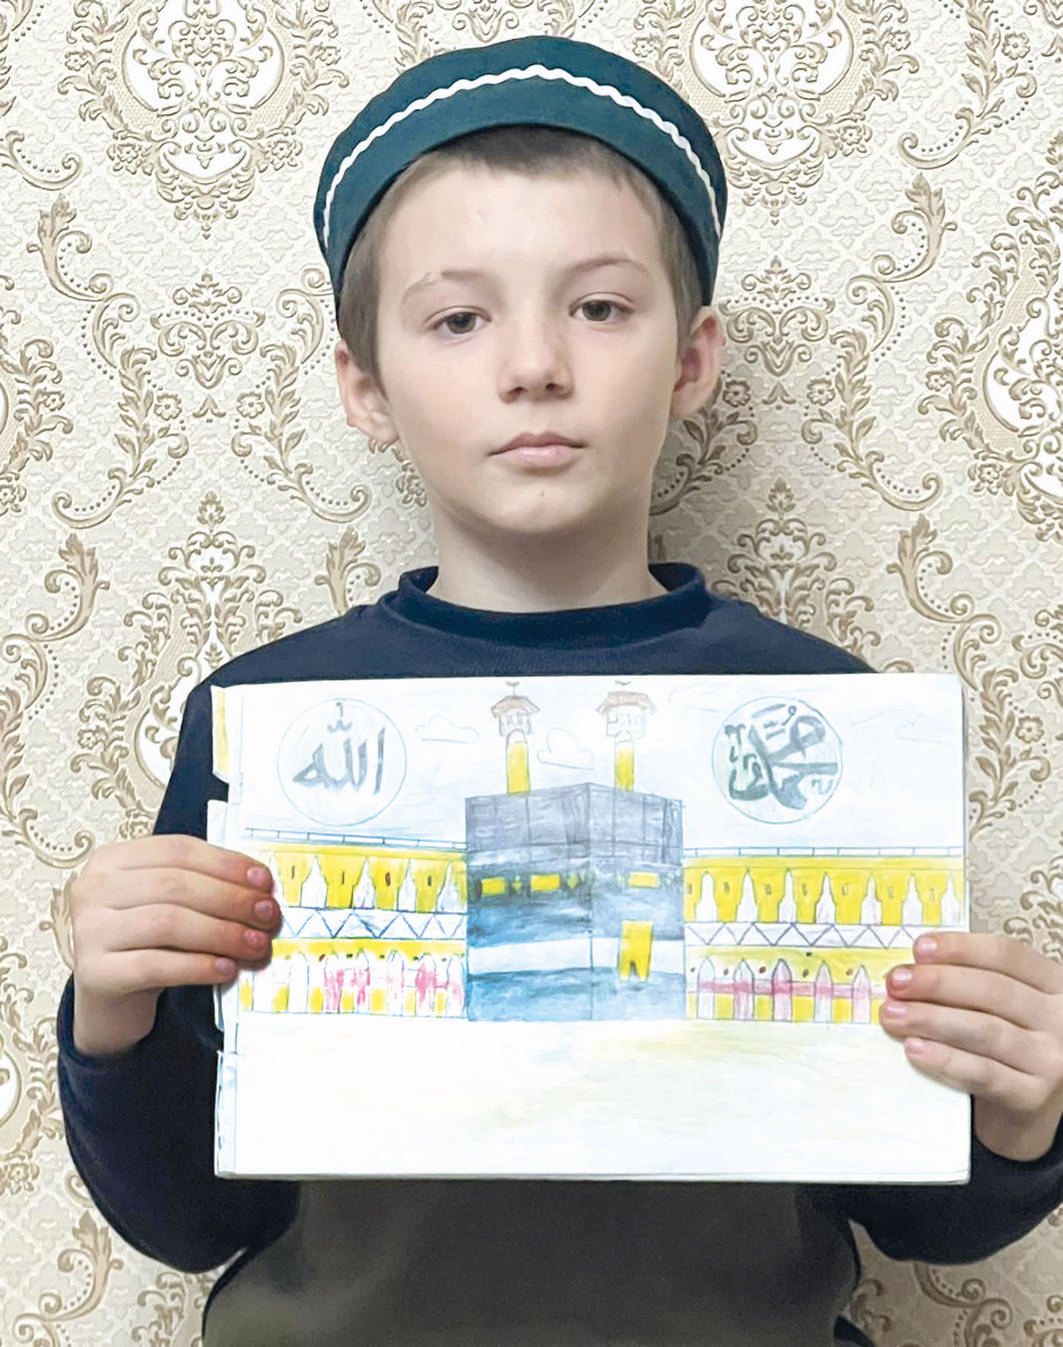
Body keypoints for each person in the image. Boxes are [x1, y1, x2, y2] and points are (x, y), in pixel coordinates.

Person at [58, 35, 1063, 1347]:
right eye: (457, 319)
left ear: (690, 360)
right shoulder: (271, 716)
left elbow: (916, 1213)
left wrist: (1019, 1109)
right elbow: (190, 1219)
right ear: (365, 384)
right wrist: (114, 1013)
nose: (533, 363)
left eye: (598, 307)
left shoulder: (822, 718)